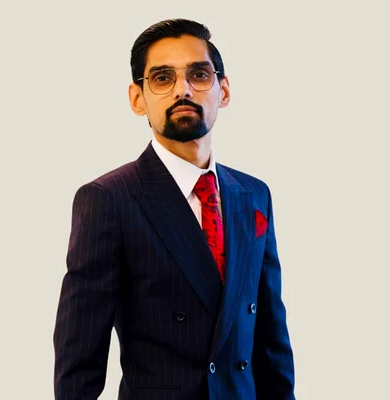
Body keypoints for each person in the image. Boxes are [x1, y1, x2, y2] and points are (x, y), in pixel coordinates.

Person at [53, 18, 295, 400]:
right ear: (137, 98)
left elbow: (270, 336)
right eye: (162, 78)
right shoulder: (110, 199)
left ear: (223, 90)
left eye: (199, 74)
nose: (183, 89)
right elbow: (78, 363)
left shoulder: (253, 194)